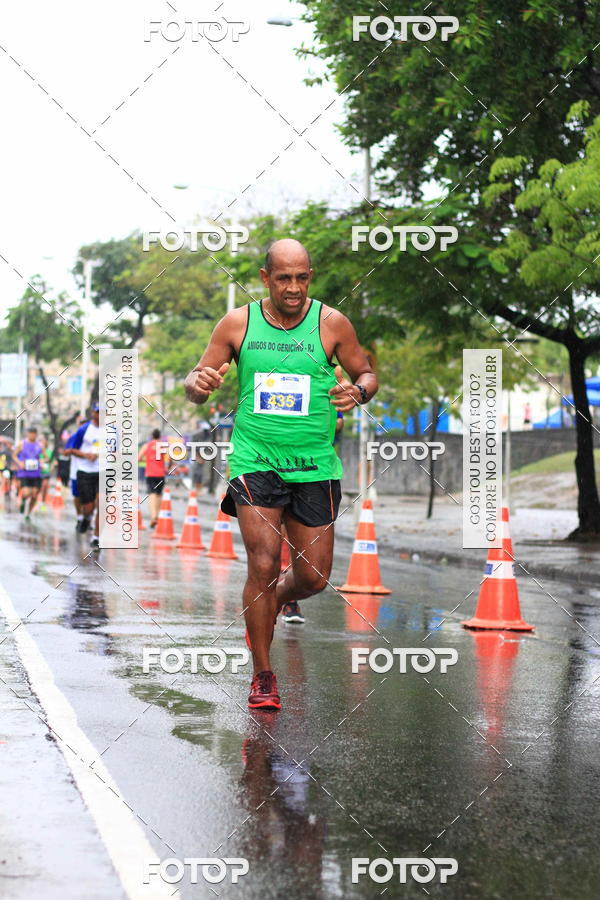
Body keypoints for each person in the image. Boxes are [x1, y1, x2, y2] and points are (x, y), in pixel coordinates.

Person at [184, 238, 377, 709]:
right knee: (264, 565)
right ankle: (264, 675)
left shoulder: (332, 324)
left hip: (314, 463)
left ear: (310, 277)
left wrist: (359, 391)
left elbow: (366, 372)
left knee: (313, 577)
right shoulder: (238, 323)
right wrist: (197, 382)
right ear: (265, 277)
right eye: (283, 278)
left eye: (302, 277)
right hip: (256, 460)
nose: (293, 287)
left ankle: (265, 604)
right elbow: (196, 384)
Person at [69, 404, 102, 549]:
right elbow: (72, 450)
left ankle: (97, 537)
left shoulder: (113, 431)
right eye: (99, 412)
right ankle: (86, 519)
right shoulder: (83, 430)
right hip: (85, 471)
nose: (102, 415)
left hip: (103, 471)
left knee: (102, 504)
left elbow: (117, 451)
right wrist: (86, 455)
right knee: (89, 507)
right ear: (93, 413)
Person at [137, 429, 169, 527]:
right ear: (159, 436)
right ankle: (157, 516)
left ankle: (153, 516)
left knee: (152, 495)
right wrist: (168, 466)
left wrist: (146, 458)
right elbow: (170, 457)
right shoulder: (163, 445)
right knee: (159, 495)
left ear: (152, 436)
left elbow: (138, 458)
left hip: (150, 474)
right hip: (161, 474)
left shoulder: (146, 446)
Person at [12, 426, 43, 519]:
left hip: (36, 473)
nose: (32, 435)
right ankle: (23, 502)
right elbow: (14, 455)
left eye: (34, 433)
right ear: (28, 434)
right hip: (24, 473)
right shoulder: (22, 444)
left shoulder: (39, 445)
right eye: (31, 433)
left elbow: (45, 456)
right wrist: (19, 463)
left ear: (36, 434)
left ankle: (28, 513)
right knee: (26, 492)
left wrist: (42, 461)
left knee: (34, 494)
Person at [64, 414, 85, 530]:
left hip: (91, 472)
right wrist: (73, 451)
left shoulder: (94, 438)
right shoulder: (73, 437)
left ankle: (89, 518)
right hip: (76, 471)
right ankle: (80, 517)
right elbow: (65, 452)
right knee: (77, 496)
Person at [39, 435, 53, 507]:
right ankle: (37, 499)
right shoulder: (37, 450)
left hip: (46, 471)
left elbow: (49, 459)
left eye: (44, 442)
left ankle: (43, 501)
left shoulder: (48, 451)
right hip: (38, 471)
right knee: (39, 487)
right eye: (41, 442)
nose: (42, 444)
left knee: (45, 486)